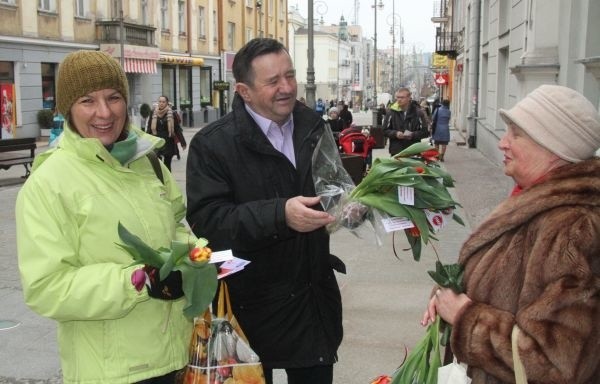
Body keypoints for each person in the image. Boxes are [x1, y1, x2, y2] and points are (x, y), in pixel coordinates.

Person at [15, 50, 193, 384]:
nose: (104, 112)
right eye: (87, 100)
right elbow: (46, 287)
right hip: (112, 372)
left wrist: (194, 255)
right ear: (68, 108)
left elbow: (177, 226)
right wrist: (139, 281)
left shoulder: (148, 162)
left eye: (113, 97)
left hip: (178, 355)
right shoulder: (48, 182)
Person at [186, 38, 344, 384]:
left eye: (290, 76)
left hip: (313, 302)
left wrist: (357, 204)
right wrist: (280, 215)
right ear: (244, 91)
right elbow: (207, 221)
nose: (286, 88)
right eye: (273, 81)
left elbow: (334, 187)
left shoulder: (314, 127)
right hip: (250, 311)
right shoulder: (213, 144)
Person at [422, 85, 600, 383]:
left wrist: (467, 317)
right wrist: (448, 296)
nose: (503, 143)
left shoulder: (573, 227)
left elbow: (558, 363)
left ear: (553, 147)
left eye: (515, 134)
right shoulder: (532, 201)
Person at [383, 87, 430, 156]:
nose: (399, 100)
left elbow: (425, 132)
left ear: (409, 98)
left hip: (413, 150)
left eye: (402, 97)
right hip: (397, 151)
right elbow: (384, 130)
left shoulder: (418, 112)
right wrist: (396, 133)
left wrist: (412, 135)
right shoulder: (391, 112)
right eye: (398, 97)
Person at [147, 95, 181, 171]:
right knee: (158, 165)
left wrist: (183, 143)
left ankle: (168, 181)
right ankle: (160, 181)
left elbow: (177, 129)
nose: (161, 103)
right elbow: (149, 127)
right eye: (160, 101)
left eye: (163, 102)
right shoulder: (153, 112)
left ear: (167, 103)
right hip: (157, 141)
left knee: (167, 165)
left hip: (168, 142)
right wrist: (145, 139)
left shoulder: (171, 113)